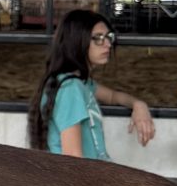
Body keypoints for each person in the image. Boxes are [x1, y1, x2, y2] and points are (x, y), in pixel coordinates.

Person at [28, 8, 155, 159]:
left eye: (109, 37)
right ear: (77, 41)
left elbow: (113, 96)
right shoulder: (70, 89)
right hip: (82, 172)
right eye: (98, 38)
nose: (108, 44)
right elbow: (73, 158)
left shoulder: (78, 82)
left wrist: (139, 105)